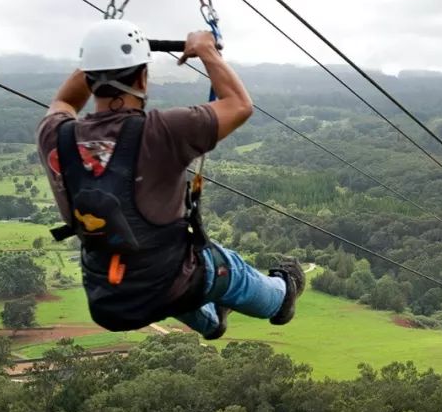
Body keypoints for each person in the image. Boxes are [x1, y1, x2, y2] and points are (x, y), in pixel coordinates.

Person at [36, 19, 304, 338]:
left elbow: (64, 102)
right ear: (143, 77)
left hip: (108, 298)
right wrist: (206, 50)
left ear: (89, 76)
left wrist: (98, 57)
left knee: (163, 274)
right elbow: (239, 105)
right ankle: (281, 297)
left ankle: (212, 321)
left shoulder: (55, 136)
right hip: (171, 281)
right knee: (225, 267)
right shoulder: (162, 131)